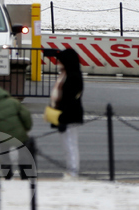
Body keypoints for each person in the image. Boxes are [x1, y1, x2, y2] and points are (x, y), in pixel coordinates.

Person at [0, 81, 33, 179]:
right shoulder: (13, 102)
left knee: (4, 154)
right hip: (19, 134)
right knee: (23, 153)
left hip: (2, 138)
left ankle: (7, 172)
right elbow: (26, 115)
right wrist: (26, 127)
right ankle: (25, 173)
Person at [45, 47, 83, 178]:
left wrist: (63, 118)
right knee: (67, 145)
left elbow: (70, 100)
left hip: (69, 116)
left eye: (60, 61)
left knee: (70, 145)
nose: (58, 63)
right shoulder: (66, 74)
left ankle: (73, 172)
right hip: (63, 115)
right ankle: (70, 170)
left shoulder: (72, 77)